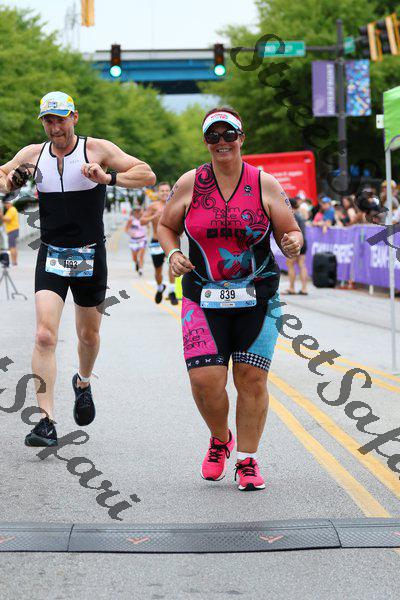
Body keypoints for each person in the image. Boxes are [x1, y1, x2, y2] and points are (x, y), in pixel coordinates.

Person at [157, 107, 302, 491]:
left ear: (241, 138)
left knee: (251, 378)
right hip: (202, 294)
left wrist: (292, 242)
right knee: (205, 380)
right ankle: (220, 439)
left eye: (229, 135)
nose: (222, 142)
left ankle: (247, 460)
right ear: (206, 142)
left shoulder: (264, 183)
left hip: (258, 296)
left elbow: (291, 231)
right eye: (213, 136)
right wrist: (173, 253)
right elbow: (166, 225)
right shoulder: (190, 183)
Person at [0, 91, 155, 446]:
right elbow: (2, 176)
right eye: (48, 120)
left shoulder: (96, 149)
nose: (55, 127)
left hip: (90, 255)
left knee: (88, 336)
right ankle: (46, 421)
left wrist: (107, 178)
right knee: (44, 335)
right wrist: (11, 181)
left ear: (74, 117)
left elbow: (146, 174)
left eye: (60, 119)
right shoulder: (32, 154)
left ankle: (82, 382)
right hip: (52, 254)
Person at [140, 182, 178, 305]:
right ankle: (160, 287)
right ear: (157, 193)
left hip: (171, 239)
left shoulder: (175, 204)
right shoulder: (153, 206)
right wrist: (154, 216)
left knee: (173, 265)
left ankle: (172, 291)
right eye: (162, 191)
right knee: (158, 270)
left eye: (167, 190)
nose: (165, 193)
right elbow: (142, 221)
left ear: (170, 191)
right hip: (156, 241)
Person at [283, 198, 308, 295]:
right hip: (304, 241)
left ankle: (292, 288)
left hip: (295, 241)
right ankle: (304, 288)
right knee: (302, 264)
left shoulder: (292, 215)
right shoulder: (301, 215)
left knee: (290, 264)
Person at [125, 206, 147, 275]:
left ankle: (140, 269)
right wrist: (130, 233)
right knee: (134, 257)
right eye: (136, 211)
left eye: (139, 211)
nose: (137, 212)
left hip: (142, 239)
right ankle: (137, 263)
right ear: (133, 212)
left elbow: (148, 227)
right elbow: (126, 229)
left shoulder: (144, 219)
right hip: (133, 240)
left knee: (141, 255)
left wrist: (147, 233)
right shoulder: (131, 220)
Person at [0, 195, 20, 265]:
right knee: (13, 246)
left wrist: (1, 215)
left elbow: (7, 219)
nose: (5, 205)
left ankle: (14, 262)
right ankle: (14, 261)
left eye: (6, 204)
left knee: (12, 247)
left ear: (9, 203)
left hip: (12, 230)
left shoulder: (12, 210)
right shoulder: (11, 210)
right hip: (13, 230)